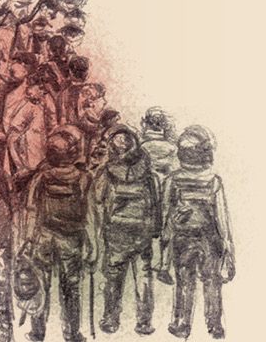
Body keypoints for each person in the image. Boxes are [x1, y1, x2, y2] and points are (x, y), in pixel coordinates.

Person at [158, 126, 233, 339]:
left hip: (182, 238)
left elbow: (165, 211)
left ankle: (182, 323)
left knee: (184, 281)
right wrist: (227, 243)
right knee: (212, 281)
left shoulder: (172, 180)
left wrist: (165, 238)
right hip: (210, 238)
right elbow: (222, 217)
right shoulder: (214, 180)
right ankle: (215, 325)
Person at [91, 126, 162, 336]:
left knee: (113, 278)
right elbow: (157, 205)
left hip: (116, 234)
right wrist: (155, 231)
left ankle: (110, 319)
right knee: (143, 277)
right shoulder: (149, 175)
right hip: (142, 233)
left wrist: (98, 230)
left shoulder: (106, 173)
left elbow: (96, 200)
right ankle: (144, 322)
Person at [22, 126, 90, 342]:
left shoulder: (40, 178)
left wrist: (28, 239)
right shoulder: (83, 178)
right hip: (71, 238)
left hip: (43, 237)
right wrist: (92, 243)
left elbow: (31, 209)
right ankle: (71, 333)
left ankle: (37, 332)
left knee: (39, 284)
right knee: (71, 287)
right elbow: (90, 214)